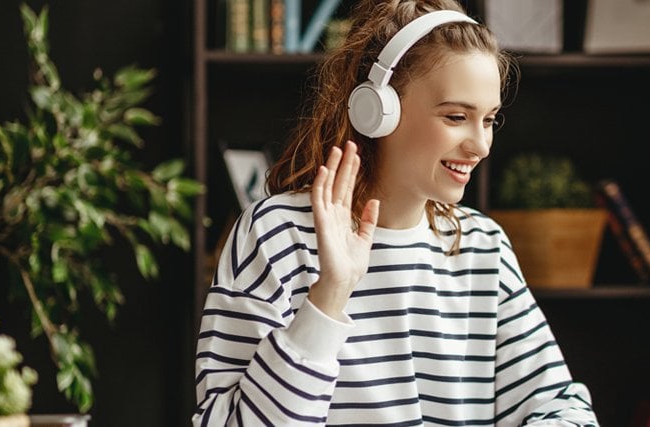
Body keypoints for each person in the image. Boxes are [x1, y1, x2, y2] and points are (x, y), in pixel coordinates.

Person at [193, 1, 598, 425]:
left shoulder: (484, 247)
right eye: (457, 116)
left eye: (490, 120)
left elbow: (562, 408)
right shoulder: (275, 235)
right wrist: (329, 296)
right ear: (378, 110)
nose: (479, 145)